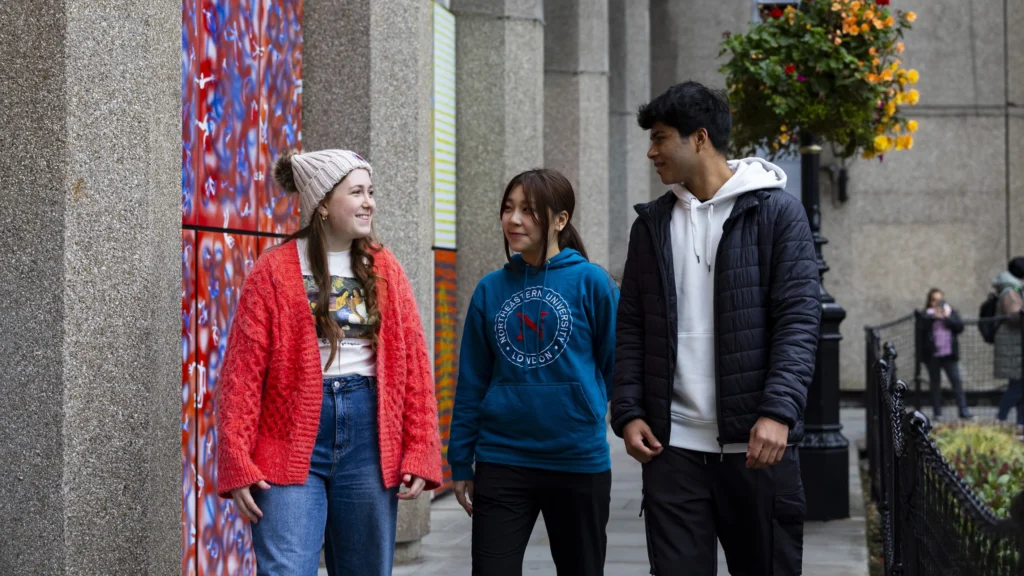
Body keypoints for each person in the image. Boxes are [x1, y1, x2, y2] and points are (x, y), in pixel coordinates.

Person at [610, 81, 821, 576]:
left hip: (756, 448)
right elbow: (632, 326)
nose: (651, 151)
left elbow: (798, 321)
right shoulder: (652, 226)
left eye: (661, 138)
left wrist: (777, 412)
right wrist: (629, 410)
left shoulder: (776, 214)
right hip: (673, 451)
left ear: (699, 138)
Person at [215, 149, 442, 576]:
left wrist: (420, 447)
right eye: (356, 192)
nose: (369, 202)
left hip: (370, 438)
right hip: (287, 436)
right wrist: (236, 458)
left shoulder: (385, 267)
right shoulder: (272, 271)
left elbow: (413, 365)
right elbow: (242, 374)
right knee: (285, 569)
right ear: (322, 203)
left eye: (370, 191)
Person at [448, 169, 619, 576]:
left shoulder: (592, 282)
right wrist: (460, 461)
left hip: (578, 460)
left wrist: (586, 410)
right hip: (503, 458)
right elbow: (472, 380)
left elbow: (617, 367)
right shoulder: (490, 289)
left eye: (528, 210)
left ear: (559, 220)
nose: (514, 220)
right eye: (508, 209)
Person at [918, 288, 971, 419]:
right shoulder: (926, 315)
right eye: (934, 300)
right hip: (933, 355)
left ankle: (963, 410)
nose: (937, 303)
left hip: (949, 354)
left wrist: (946, 317)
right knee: (935, 384)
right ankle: (937, 412)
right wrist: (933, 318)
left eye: (939, 300)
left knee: (956, 382)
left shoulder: (950, 312)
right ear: (930, 301)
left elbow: (959, 327)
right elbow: (921, 328)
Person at [994, 258, 1024, 425]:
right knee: (1017, 386)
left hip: (1017, 346)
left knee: (1019, 386)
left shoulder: (1015, 289)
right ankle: (1001, 419)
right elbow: (1015, 316)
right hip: (1014, 348)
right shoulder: (1010, 291)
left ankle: (1020, 422)